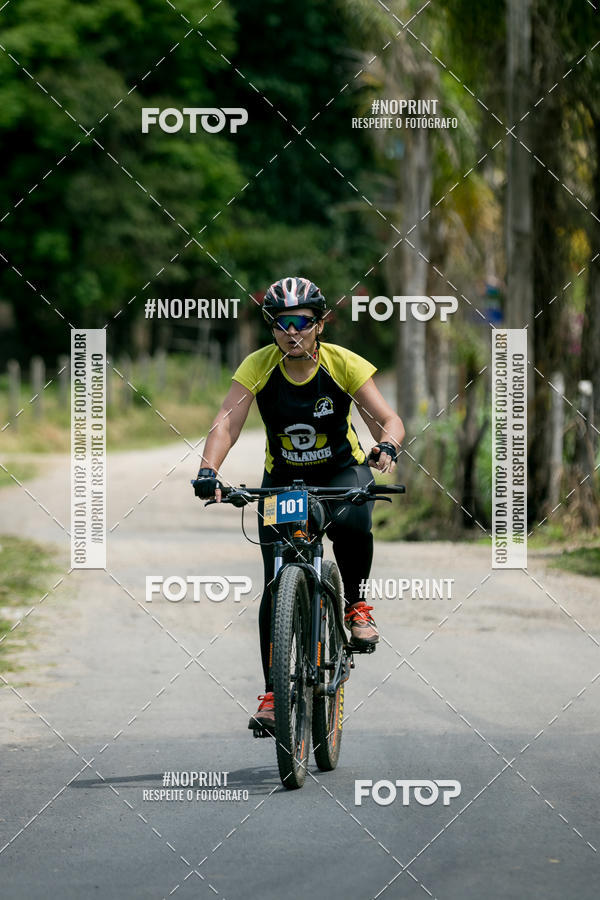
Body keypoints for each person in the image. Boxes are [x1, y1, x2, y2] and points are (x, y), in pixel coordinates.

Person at [193, 276, 405, 730]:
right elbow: (227, 422)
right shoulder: (259, 365)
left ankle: (356, 607)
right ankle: (274, 693)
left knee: (353, 520)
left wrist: (386, 446)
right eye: (282, 323)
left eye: (303, 323)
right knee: (275, 585)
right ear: (272, 327)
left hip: (340, 472)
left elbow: (388, 419)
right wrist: (209, 470)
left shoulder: (342, 364)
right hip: (284, 482)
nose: (293, 332)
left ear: (319, 324)